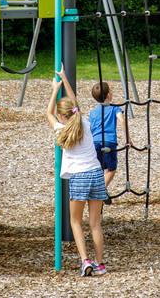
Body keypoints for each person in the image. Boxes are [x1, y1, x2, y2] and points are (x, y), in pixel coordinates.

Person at [46, 66, 108, 277]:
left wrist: (55, 89)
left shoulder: (61, 130)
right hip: (96, 174)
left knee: (75, 222)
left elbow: (48, 113)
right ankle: (100, 264)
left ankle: (85, 260)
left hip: (79, 178)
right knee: (95, 223)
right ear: (73, 112)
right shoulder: (83, 122)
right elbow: (76, 103)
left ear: (62, 117)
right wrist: (65, 77)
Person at [89, 82, 128, 204]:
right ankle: (101, 190)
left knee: (99, 168)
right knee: (111, 169)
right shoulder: (115, 108)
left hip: (95, 143)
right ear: (108, 96)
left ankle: (97, 190)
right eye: (110, 91)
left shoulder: (93, 112)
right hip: (109, 143)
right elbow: (122, 121)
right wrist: (128, 139)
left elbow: (90, 128)